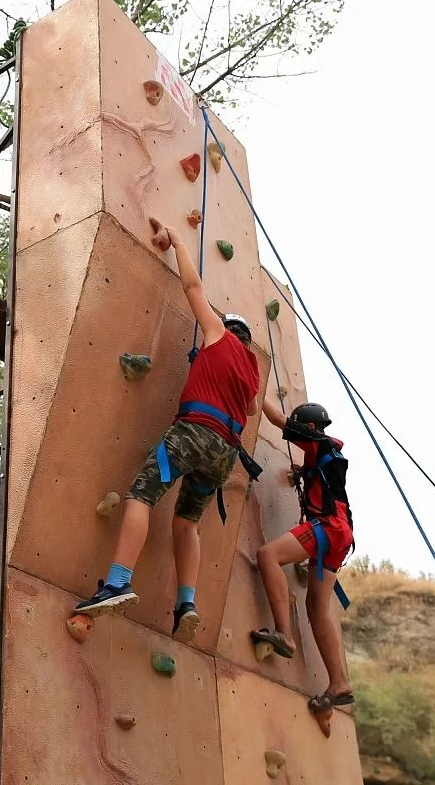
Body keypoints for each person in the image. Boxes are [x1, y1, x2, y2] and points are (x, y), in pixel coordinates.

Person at [73, 217, 261, 644]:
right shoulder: (251, 370)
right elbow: (252, 409)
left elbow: (193, 289)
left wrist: (177, 240)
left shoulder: (218, 336)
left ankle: (118, 580)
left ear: (228, 330)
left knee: (142, 494)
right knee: (186, 523)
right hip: (224, 456)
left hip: (193, 434)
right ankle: (187, 602)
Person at [250, 399, 355, 714]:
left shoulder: (317, 442)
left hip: (327, 527)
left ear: (309, 427)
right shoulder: (326, 455)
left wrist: (256, 384)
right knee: (316, 608)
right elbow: (321, 480)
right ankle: (339, 684)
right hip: (341, 534)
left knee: (268, 555)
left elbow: (279, 419)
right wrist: (303, 473)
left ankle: (284, 634)